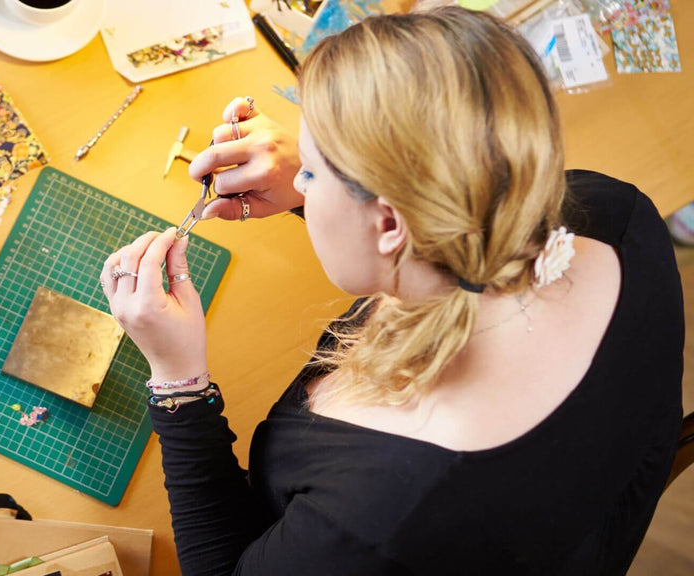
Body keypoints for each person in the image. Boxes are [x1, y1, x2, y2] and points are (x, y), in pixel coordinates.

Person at [100, 7, 684, 575]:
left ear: (388, 224)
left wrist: (178, 380)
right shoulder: (611, 212)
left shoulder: (384, 517)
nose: (295, 177)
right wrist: (322, 183)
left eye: (309, 169)